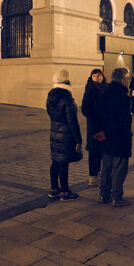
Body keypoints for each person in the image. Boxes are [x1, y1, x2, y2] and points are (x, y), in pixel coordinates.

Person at [93, 67, 133, 207]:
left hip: (105, 138)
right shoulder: (124, 97)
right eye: (128, 79)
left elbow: (97, 115)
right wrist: (109, 132)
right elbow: (122, 121)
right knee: (119, 169)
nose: (129, 82)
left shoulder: (104, 93)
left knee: (107, 168)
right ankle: (117, 197)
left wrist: (102, 133)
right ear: (123, 80)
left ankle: (104, 195)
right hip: (119, 138)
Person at [47, 69, 83, 201]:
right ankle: (66, 192)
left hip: (54, 132)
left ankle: (54, 189)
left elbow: (50, 113)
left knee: (55, 160)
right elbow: (72, 121)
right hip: (66, 134)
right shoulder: (67, 97)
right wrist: (78, 139)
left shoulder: (51, 95)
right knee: (63, 163)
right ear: (67, 82)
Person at [81, 69, 108, 186]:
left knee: (104, 150)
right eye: (94, 76)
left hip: (105, 125)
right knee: (93, 151)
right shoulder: (90, 89)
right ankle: (93, 176)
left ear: (103, 77)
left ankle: (102, 174)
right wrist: (96, 114)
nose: (97, 78)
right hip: (94, 125)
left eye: (99, 75)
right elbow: (85, 109)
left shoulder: (106, 88)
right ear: (91, 77)